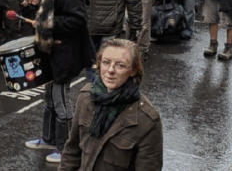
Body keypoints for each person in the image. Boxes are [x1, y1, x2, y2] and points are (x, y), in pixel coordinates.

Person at [25, 0, 95, 164]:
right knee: (49, 95)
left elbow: (77, 20)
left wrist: (47, 24)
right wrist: (38, 3)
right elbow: (51, 7)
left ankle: (65, 148)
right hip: (52, 46)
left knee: (60, 98)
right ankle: (48, 137)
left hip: (67, 48)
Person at [59, 38, 163, 171]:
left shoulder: (147, 120)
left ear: (133, 71)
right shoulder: (86, 97)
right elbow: (72, 151)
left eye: (120, 65)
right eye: (106, 63)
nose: (110, 70)